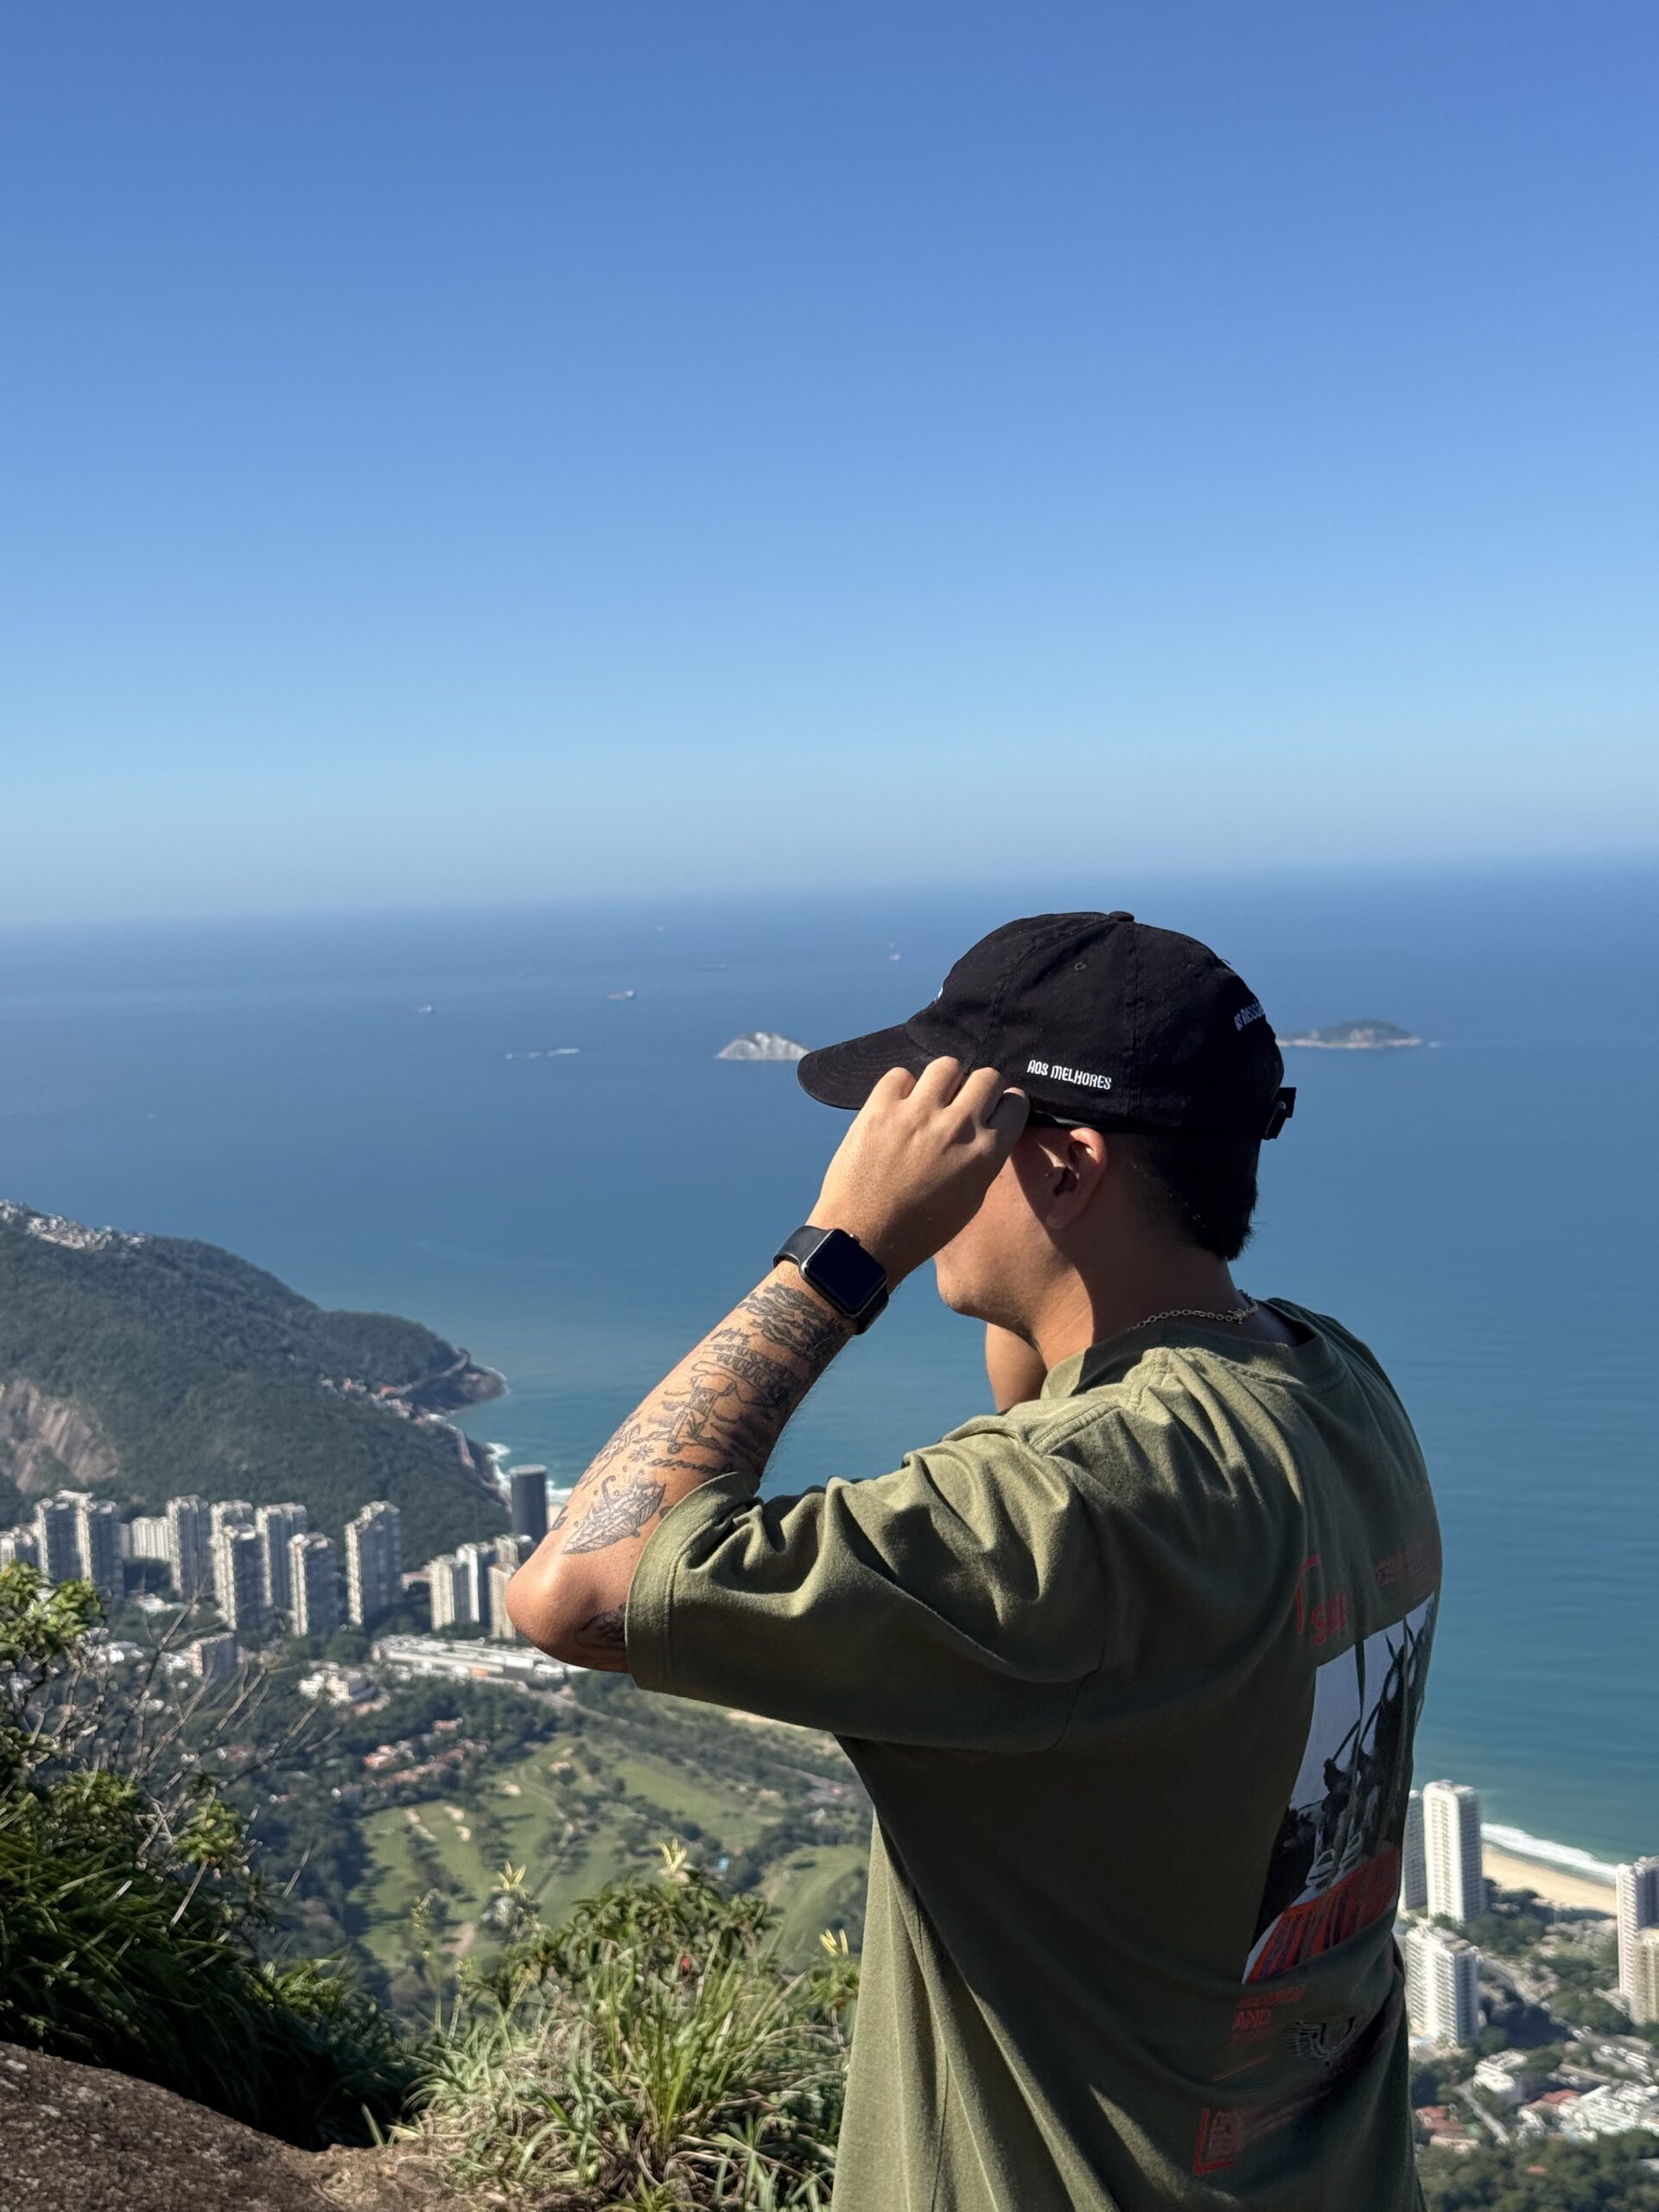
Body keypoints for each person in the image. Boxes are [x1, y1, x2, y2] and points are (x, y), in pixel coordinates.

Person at [507, 910, 1440, 2212]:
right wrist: (1029, 1241)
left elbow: (578, 1591)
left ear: (1062, 1165)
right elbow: (1055, 1393)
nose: (916, 1153)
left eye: (961, 1128)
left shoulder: (1078, 1506)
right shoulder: (1335, 1384)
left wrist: (848, 1245)